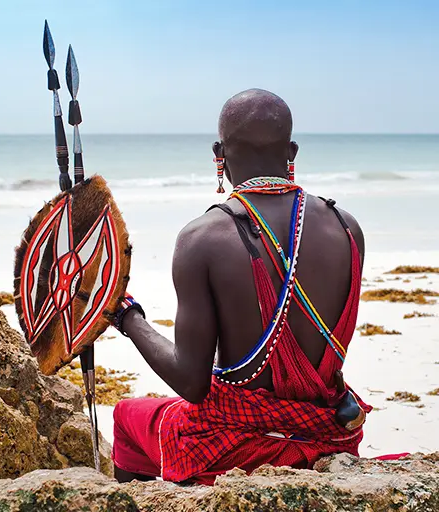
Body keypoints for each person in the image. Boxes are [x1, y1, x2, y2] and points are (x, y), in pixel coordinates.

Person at [111, 88, 371, 485]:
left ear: (219, 153)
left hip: (237, 449)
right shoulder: (347, 229)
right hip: (328, 436)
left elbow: (192, 383)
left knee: (128, 415)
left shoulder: (201, 239)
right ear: (292, 152)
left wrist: (128, 317)